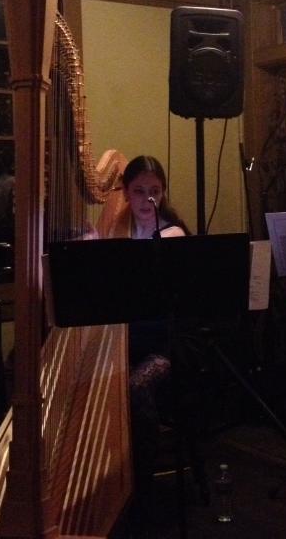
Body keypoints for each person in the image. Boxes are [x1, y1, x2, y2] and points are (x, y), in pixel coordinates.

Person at [102, 155, 189, 534]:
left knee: (136, 388)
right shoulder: (116, 233)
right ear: (125, 193)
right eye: (138, 191)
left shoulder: (172, 236)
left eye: (154, 191)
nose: (146, 199)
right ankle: (106, 477)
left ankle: (141, 490)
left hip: (163, 346)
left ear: (163, 193)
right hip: (126, 343)